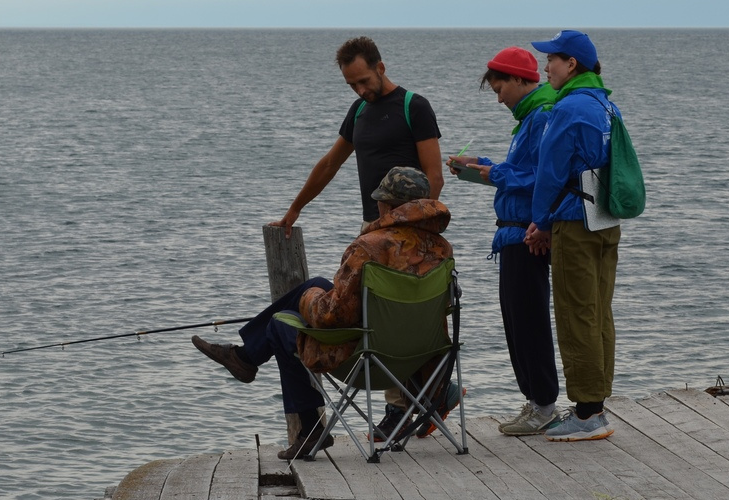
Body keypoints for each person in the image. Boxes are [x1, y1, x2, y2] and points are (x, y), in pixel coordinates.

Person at [194, 167, 454, 459]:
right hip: (418, 360)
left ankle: (309, 427)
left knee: (281, 324)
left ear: (390, 206)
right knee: (317, 283)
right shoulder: (443, 250)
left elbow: (331, 317)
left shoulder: (368, 247)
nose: (376, 205)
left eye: (380, 200)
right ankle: (244, 358)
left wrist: (308, 298)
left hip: (366, 357)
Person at [446, 46, 561, 435]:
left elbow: (543, 177)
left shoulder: (542, 115)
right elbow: (524, 171)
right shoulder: (530, 117)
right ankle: (534, 401)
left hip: (528, 232)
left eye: (499, 89)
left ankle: (543, 405)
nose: (498, 99)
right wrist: (481, 168)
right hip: (513, 231)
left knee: (528, 319)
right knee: (516, 318)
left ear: (517, 78)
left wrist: (493, 174)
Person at [524, 30, 621, 442]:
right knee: (599, 312)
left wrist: (539, 220)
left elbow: (550, 172)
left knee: (574, 313)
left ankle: (586, 414)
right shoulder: (606, 104)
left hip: (574, 223)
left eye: (552, 60)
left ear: (572, 65)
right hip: (605, 219)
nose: (546, 68)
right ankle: (595, 403)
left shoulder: (569, 108)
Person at [273, 37, 444, 234]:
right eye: (352, 85)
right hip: (371, 226)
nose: (360, 90)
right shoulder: (359, 109)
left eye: (364, 81)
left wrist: (420, 228)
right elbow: (330, 164)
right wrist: (295, 208)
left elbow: (435, 177)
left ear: (380, 68)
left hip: (408, 226)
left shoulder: (414, 106)